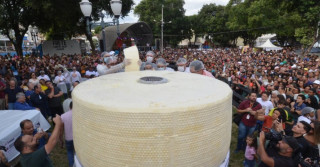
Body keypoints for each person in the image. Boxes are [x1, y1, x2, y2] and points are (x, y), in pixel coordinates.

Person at [60, 102, 74, 167]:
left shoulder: (63, 116)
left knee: (70, 152)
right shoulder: (81, 115)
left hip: (68, 138)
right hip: (78, 138)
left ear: (69, 107)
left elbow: (61, 130)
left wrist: (61, 139)